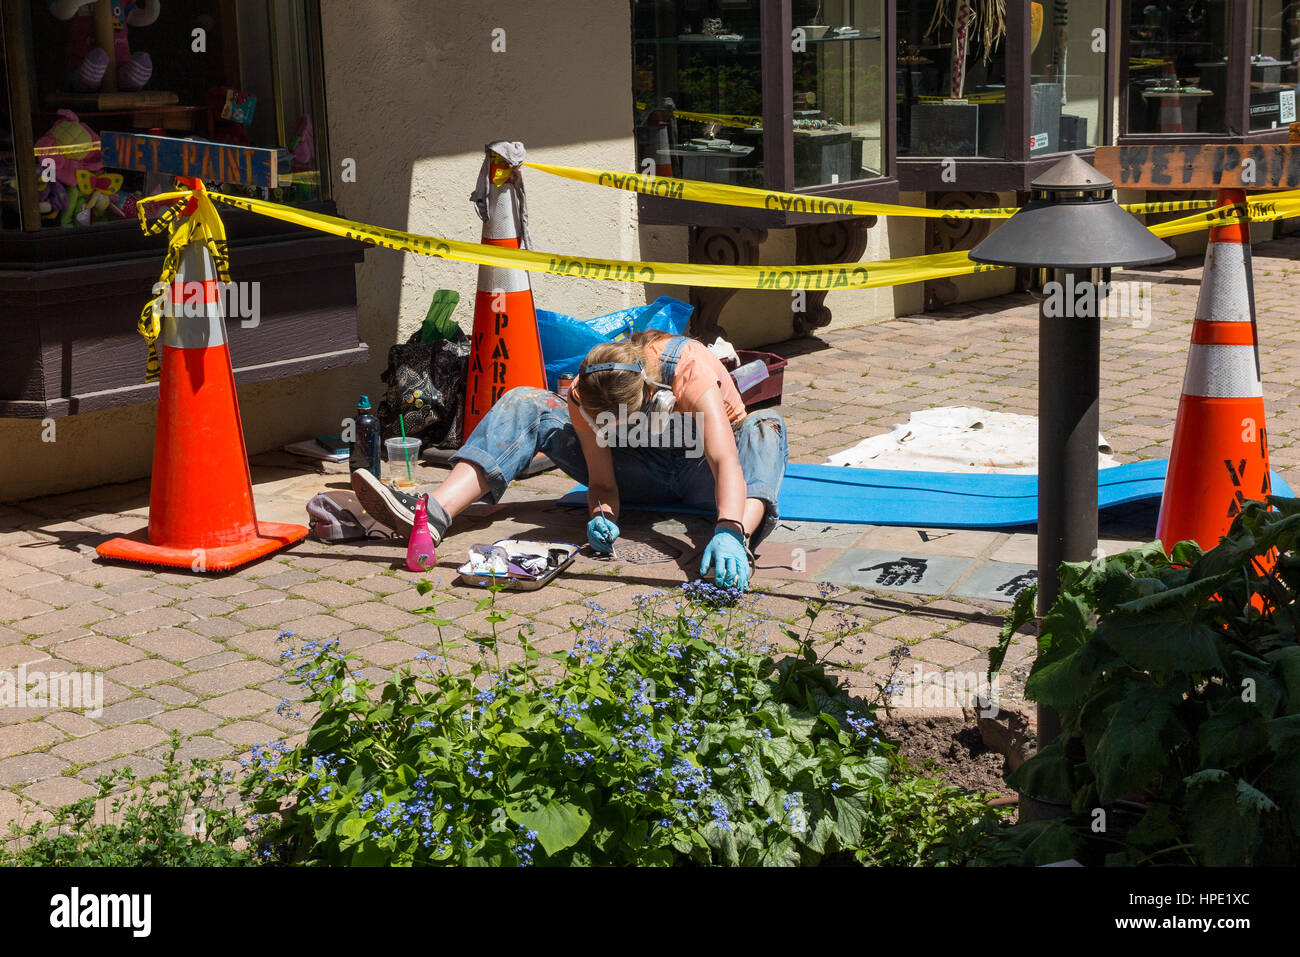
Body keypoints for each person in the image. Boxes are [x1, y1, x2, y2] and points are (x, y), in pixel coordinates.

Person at [350, 331, 788, 591]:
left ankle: (738, 547)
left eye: (619, 422)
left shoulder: (689, 369)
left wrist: (729, 528)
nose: (610, 429)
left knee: (766, 427)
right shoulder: (587, 388)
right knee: (526, 400)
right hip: (635, 477)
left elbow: (725, 461)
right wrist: (602, 513)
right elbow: (602, 481)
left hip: (705, 481)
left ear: (652, 397)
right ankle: (432, 515)